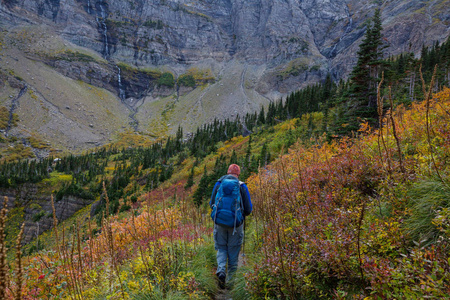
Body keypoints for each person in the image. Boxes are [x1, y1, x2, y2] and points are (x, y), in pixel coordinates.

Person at [210, 164, 252, 289]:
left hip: (220, 223)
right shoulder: (241, 186)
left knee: (221, 248)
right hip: (236, 225)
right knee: (233, 252)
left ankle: (221, 271)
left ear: (227, 172)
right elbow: (248, 209)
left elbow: (211, 203)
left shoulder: (219, 183)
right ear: (238, 174)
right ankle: (231, 283)